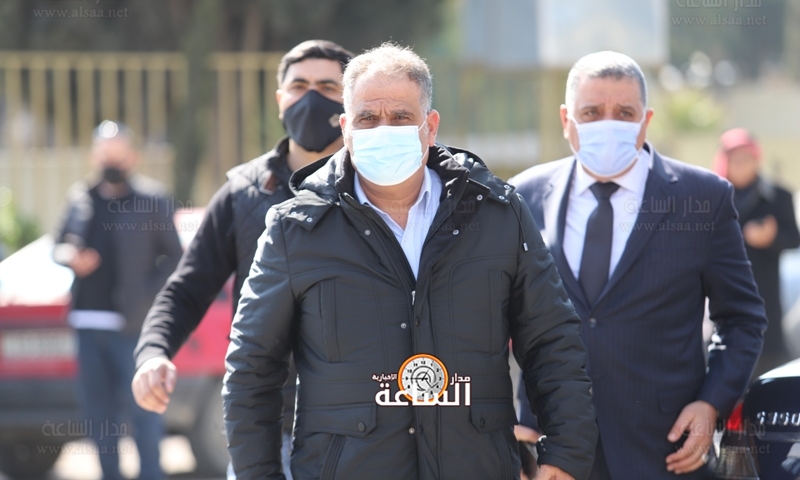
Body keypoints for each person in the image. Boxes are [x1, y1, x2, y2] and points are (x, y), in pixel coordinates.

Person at [223, 42, 598, 480]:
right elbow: (252, 368)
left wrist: (565, 453)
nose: (384, 129)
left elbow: (551, 340)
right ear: (345, 128)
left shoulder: (497, 214)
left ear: (430, 126)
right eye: (367, 118)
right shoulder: (296, 227)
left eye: (401, 117)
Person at [509, 51, 767, 480]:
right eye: (592, 112)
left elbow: (742, 319)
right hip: (552, 455)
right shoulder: (522, 195)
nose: (608, 124)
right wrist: (506, 429)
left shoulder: (702, 197)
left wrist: (711, 404)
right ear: (566, 119)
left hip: (665, 452)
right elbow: (492, 321)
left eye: (624, 113)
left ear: (645, 121)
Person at [132, 40, 354, 479]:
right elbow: (187, 288)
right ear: (280, 99)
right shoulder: (242, 194)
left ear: (349, 103)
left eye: (328, 87)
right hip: (269, 430)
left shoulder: (375, 188)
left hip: (360, 428)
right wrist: (153, 352)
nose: (311, 98)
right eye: (299, 86)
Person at [54, 120, 183, 480]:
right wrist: (70, 257)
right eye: (104, 153)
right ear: (95, 156)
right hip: (87, 324)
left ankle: (151, 474)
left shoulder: (151, 201)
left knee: (145, 407)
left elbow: (175, 259)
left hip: (133, 326)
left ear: (132, 157)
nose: (111, 160)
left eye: (117, 154)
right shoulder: (81, 197)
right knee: (99, 413)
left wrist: (145, 298)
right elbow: (58, 244)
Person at [713, 128, 800, 374]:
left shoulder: (777, 196)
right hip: (722, 292)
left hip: (764, 295)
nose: (741, 165)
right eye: (735, 159)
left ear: (756, 159)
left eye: (746, 158)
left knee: (766, 366)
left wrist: (770, 238)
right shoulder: (713, 196)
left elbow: (794, 239)